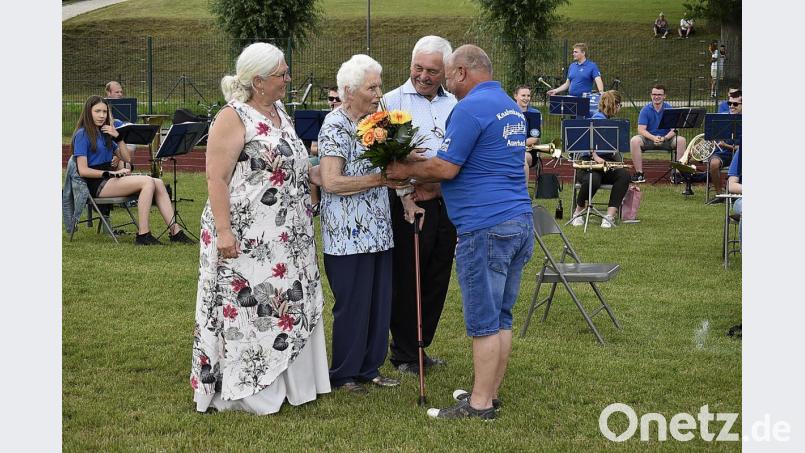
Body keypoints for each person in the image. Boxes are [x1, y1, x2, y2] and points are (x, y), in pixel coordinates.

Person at [386, 45, 534, 420]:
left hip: (485, 227)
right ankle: (489, 392)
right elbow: (481, 166)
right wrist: (432, 185)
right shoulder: (508, 107)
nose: (447, 82)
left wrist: (406, 171)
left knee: (484, 320)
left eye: (449, 75)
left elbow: (448, 167)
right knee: (501, 316)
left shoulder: (468, 108)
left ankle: (480, 405)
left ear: (464, 72)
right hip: (517, 220)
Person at [190, 42, 330, 415]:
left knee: (288, 303)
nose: (288, 79)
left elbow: (293, 167)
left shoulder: (281, 111)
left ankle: (294, 384)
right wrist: (224, 232)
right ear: (258, 81)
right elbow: (215, 178)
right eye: (281, 74)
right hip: (244, 235)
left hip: (287, 235)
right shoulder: (232, 117)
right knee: (250, 308)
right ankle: (249, 388)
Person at [318, 54, 404, 393]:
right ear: (350, 91)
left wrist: (406, 196)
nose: (378, 92)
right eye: (372, 87)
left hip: (379, 230)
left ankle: (370, 368)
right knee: (353, 304)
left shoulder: (377, 123)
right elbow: (331, 181)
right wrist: (379, 180)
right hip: (347, 234)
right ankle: (344, 373)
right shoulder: (336, 125)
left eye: (379, 85)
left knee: (379, 301)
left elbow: (392, 170)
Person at [381, 35, 457, 375]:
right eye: (418, 68)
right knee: (409, 276)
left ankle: (422, 347)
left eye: (432, 71)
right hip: (410, 203)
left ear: (446, 72)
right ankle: (405, 352)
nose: (424, 76)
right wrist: (411, 188)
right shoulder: (390, 102)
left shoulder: (454, 103)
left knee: (438, 276)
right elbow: (384, 161)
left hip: (447, 201)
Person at [71, 95, 194, 245]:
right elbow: (83, 170)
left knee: (158, 183)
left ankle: (175, 231)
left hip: (108, 179)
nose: (102, 115)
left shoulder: (106, 132)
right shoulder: (82, 135)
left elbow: (127, 158)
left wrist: (119, 137)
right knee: (147, 182)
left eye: (104, 111)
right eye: (97, 111)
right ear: (88, 112)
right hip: (95, 183)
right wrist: (110, 173)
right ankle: (143, 234)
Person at [570, 90, 630, 228]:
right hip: (589, 163)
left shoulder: (611, 122)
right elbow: (587, 145)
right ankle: (578, 213)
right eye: (619, 105)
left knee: (624, 175)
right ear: (615, 105)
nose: (619, 109)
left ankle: (609, 216)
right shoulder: (594, 120)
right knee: (593, 180)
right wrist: (596, 157)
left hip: (606, 164)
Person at [628, 84, 687, 183]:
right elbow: (641, 130)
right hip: (649, 139)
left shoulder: (670, 109)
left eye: (659, 94)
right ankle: (639, 174)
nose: (656, 97)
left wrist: (664, 138)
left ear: (664, 96)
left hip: (667, 139)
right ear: (651, 95)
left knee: (681, 140)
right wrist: (653, 138)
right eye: (654, 94)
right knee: (634, 140)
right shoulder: (645, 110)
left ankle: (676, 174)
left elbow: (674, 129)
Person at [709, 91, 742, 198]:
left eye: (735, 104)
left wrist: (726, 145)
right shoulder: (721, 118)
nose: (731, 106)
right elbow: (713, 135)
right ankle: (721, 195)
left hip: (740, 153)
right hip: (723, 152)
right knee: (714, 164)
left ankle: (736, 191)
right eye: (729, 103)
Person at [105, 81, 136, 170]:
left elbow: (131, 147)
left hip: (119, 154)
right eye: (117, 92)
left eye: (121, 92)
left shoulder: (119, 123)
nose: (120, 94)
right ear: (108, 93)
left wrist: (118, 157)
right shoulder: (99, 104)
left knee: (125, 164)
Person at [513, 85, 542, 181]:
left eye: (528, 96)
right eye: (523, 95)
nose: (526, 98)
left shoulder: (535, 113)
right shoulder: (508, 112)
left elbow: (534, 138)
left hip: (528, 151)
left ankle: (523, 193)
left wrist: (515, 143)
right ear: (515, 96)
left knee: (522, 158)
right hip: (509, 149)